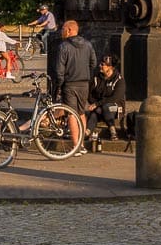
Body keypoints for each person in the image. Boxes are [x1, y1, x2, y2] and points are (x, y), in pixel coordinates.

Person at [53, 19, 96, 155]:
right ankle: (81, 144)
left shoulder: (64, 46)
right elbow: (93, 63)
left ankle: (76, 145)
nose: (61, 31)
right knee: (81, 112)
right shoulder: (88, 45)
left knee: (71, 113)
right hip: (84, 83)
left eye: (63, 29)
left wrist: (59, 84)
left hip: (70, 83)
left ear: (69, 30)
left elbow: (59, 69)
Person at [85, 54, 126, 144]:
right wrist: (94, 103)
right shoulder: (96, 78)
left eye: (102, 64)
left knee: (105, 107)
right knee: (95, 112)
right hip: (99, 108)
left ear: (110, 67)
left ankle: (113, 130)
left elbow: (115, 98)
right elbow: (89, 94)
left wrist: (97, 104)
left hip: (115, 107)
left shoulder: (119, 79)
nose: (100, 65)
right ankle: (87, 132)